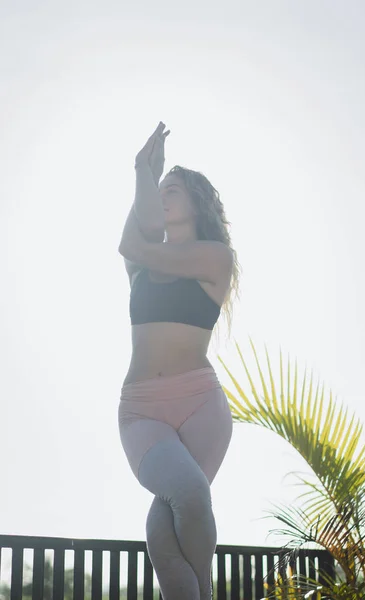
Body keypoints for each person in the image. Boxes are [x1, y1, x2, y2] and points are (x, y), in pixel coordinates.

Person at [117, 122, 241, 600]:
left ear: (197, 202)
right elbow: (138, 238)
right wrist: (143, 173)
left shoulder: (216, 258)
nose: (163, 196)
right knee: (184, 498)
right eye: (161, 190)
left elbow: (134, 243)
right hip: (141, 412)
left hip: (200, 406)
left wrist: (151, 177)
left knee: (166, 525)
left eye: (173, 190)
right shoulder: (143, 264)